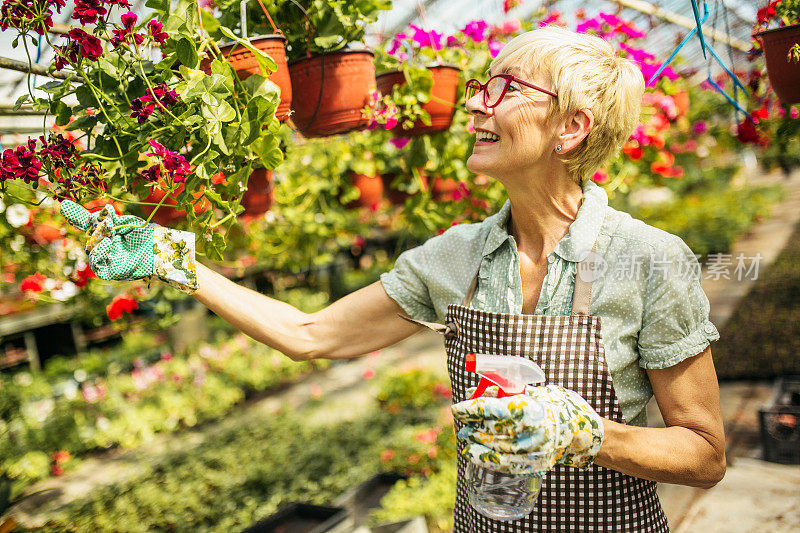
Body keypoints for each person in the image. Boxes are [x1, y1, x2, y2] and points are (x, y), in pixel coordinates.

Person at [61, 26, 725, 532]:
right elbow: (308, 332)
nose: (474, 104)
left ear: (571, 129)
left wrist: (589, 435)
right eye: (480, 85)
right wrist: (174, 261)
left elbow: (705, 452)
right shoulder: (453, 258)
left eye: (505, 90)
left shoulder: (648, 259)